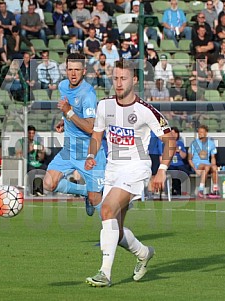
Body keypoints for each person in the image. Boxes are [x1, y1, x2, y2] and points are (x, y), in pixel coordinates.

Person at [84, 59, 176, 287]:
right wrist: (91, 155)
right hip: (112, 170)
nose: (118, 82)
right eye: (115, 78)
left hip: (136, 168)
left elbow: (169, 140)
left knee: (106, 210)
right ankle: (144, 253)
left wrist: (162, 170)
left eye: (123, 78)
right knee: (115, 226)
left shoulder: (145, 111)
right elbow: (97, 135)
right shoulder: (104, 106)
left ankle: (104, 273)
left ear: (134, 80)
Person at [43, 53, 107, 217]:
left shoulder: (88, 95)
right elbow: (71, 112)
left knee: (96, 200)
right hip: (69, 151)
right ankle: (84, 191)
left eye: (77, 70)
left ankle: (114, 235)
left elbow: (90, 128)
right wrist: (64, 120)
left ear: (84, 71)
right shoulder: (63, 86)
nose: (73, 73)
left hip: (89, 153)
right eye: (70, 69)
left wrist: (68, 113)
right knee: (48, 183)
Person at [188, 125, 220, 199]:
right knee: (206, 167)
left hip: (207, 165)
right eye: (199, 132)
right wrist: (195, 169)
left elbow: (213, 157)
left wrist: (213, 166)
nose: (200, 133)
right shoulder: (194, 143)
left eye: (202, 132)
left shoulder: (211, 143)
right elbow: (189, 159)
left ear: (206, 133)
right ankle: (201, 190)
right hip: (197, 164)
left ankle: (215, 190)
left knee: (214, 167)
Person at [15, 125, 46, 196]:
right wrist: (28, 150)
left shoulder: (36, 143)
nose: (31, 135)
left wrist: (42, 152)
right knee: (32, 170)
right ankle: (33, 190)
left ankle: (40, 190)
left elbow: (40, 158)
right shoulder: (20, 142)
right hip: (26, 163)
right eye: (29, 133)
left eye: (33, 133)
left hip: (36, 163)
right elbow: (18, 155)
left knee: (46, 169)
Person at [167, 127, 191, 196]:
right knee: (174, 173)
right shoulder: (166, 143)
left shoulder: (180, 143)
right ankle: (175, 189)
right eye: (172, 133)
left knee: (184, 172)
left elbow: (184, 156)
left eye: (175, 133)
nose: (174, 135)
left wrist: (179, 151)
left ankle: (177, 189)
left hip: (180, 164)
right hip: (171, 164)